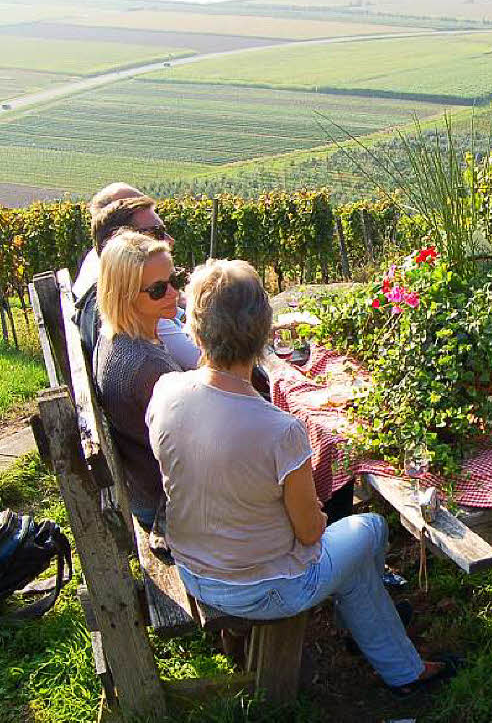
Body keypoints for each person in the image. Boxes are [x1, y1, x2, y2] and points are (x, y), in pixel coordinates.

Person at [145, 259, 456, 694]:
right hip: (262, 589)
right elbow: (310, 535)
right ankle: (396, 662)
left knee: (352, 556)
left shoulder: (166, 391)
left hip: (195, 566)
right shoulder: (280, 430)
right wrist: (317, 517)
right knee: (368, 528)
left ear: (195, 328)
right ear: (264, 332)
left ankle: (383, 646)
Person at [94, 230, 186, 529]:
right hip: (166, 506)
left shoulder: (113, 337)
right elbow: (196, 450)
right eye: (159, 290)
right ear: (125, 295)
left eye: (176, 280)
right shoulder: (148, 366)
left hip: (144, 488)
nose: (174, 293)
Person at [74, 185, 199, 369]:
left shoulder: (105, 277)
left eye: (176, 280)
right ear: (127, 241)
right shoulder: (139, 308)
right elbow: (200, 361)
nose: (169, 240)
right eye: (156, 232)